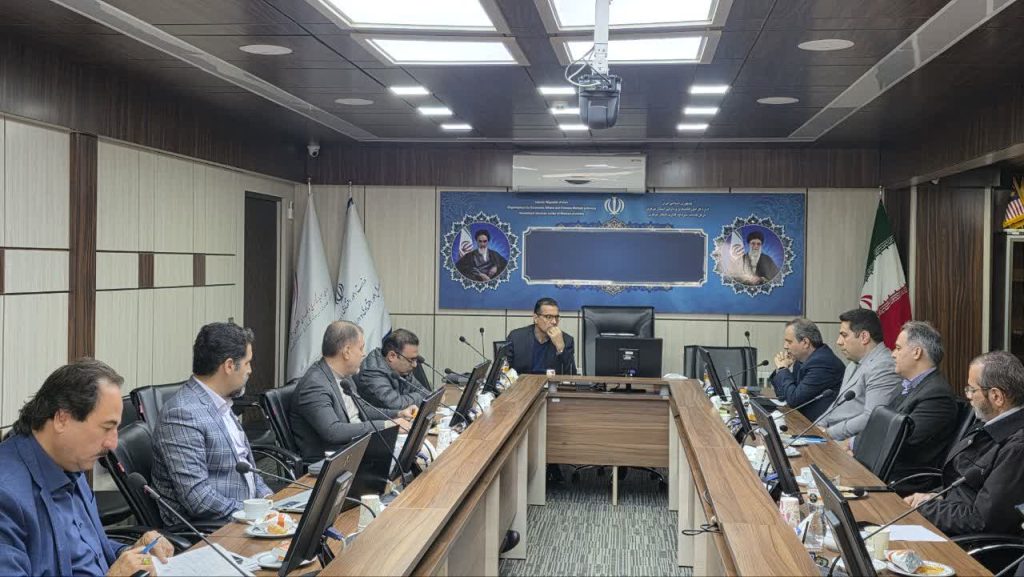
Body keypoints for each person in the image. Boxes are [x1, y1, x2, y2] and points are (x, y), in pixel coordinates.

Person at [0, 359, 174, 576]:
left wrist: (132, 552)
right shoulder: (6, 495)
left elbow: (87, 550)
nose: (113, 443)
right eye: (106, 427)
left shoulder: (71, 459)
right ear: (62, 419)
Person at [151, 322, 274, 525]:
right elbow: (198, 498)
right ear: (229, 366)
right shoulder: (182, 414)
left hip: (248, 518)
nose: (250, 370)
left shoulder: (221, 402)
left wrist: (270, 501)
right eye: (247, 363)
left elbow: (248, 469)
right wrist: (255, 514)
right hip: (214, 529)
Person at [906, 351, 1024, 537]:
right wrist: (935, 496)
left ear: (996, 396)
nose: (968, 395)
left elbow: (982, 519)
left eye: (972, 389)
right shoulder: (986, 424)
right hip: (948, 520)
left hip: (967, 543)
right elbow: (961, 483)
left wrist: (925, 508)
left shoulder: (1017, 448)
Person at [291, 321, 414, 462]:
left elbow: (363, 410)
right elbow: (333, 432)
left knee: (413, 451)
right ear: (347, 352)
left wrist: (398, 414)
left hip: (358, 447)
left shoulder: (345, 376)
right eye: (361, 348)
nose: (364, 354)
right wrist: (387, 426)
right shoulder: (315, 385)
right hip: (333, 459)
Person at [886, 320, 959, 495]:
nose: (893, 354)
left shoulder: (937, 395)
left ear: (917, 352)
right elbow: (881, 424)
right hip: (883, 468)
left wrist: (856, 444)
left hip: (902, 481)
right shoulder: (904, 386)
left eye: (898, 348)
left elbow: (899, 441)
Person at [819, 308, 902, 442]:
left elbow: (872, 417)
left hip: (850, 443)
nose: (839, 341)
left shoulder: (884, 366)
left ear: (864, 337)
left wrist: (828, 434)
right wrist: (816, 427)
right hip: (832, 437)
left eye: (844, 335)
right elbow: (838, 404)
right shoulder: (853, 363)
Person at [770, 318, 845, 421]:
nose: (785, 346)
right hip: (803, 420)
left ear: (805, 342)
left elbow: (793, 400)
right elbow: (783, 396)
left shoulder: (822, 363)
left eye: (789, 342)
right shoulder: (803, 360)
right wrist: (781, 370)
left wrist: (783, 369)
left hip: (821, 426)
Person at [354, 328, 430, 410]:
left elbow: (423, 391)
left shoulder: (402, 369)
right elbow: (396, 405)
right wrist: (420, 397)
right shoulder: (371, 373)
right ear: (392, 356)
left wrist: (423, 396)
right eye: (411, 360)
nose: (415, 365)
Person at [506, 297, 576, 376]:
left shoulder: (566, 340)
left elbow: (571, 375)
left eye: (556, 317)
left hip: (551, 383)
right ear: (536, 318)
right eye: (548, 317)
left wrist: (561, 349)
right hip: (523, 383)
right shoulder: (516, 338)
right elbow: (503, 372)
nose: (554, 322)